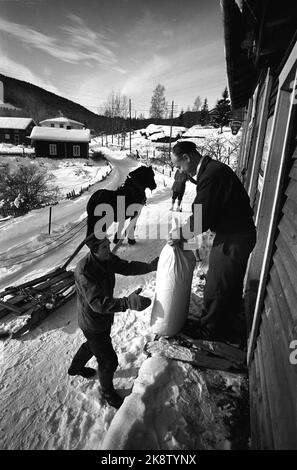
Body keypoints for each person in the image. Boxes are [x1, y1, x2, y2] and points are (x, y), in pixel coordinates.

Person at [167, 140, 256, 343]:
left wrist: (179, 234)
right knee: (228, 284)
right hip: (235, 233)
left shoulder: (211, 175)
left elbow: (200, 218)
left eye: (179, 166)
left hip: (234, 237)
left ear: (187, 158)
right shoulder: (212, 170)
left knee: (217, 286)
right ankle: (225, 323)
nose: (180, 171)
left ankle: (211, 332)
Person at [68, 235, 159, 409]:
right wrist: (128, 302)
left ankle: (76, 367)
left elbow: (126, 267)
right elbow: (97, 303)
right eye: (104, 247)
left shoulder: (107, 258)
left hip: (103, 316)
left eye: (108, 245)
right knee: (108, 360)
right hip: (92, 321)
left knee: (95, 345)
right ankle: (107, 392)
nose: (109, 250)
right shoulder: (84, 270)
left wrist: (150, 267)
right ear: (94, 251)